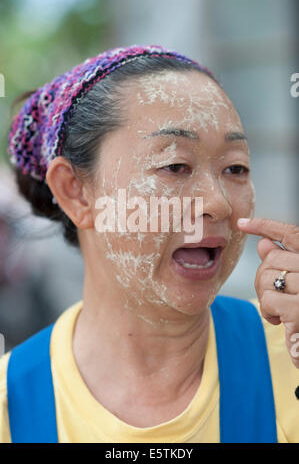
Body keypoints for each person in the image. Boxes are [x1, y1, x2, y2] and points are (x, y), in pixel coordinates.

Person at [0, 44, 299, 444]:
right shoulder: (10, 407)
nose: (218, 203)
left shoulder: (290, 361)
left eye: (235, 168)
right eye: (175, 166)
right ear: (75, 193)